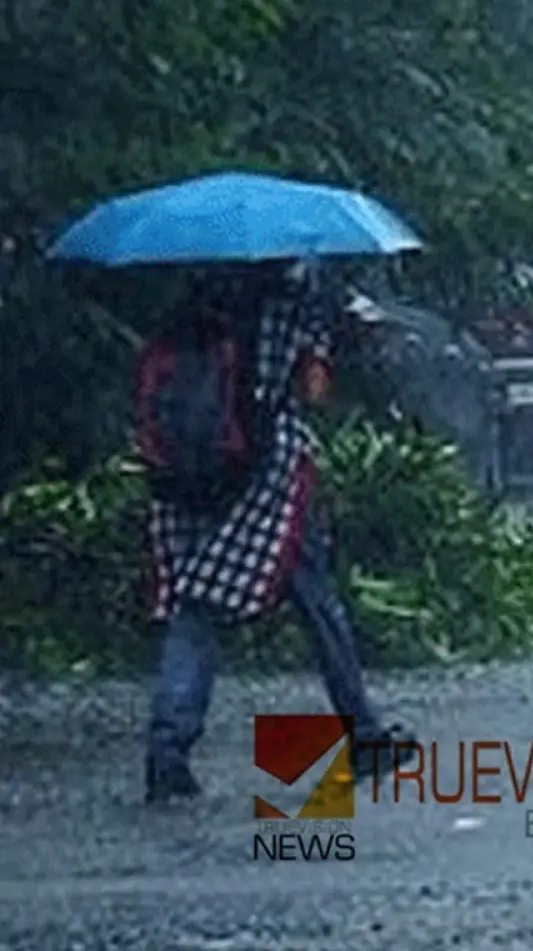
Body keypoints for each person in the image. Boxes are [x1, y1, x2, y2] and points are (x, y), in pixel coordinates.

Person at [144, 262, 413, 804]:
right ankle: (364, 731)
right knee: (317, 599)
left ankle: (167, 752)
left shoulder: (192, 300)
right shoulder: (293, 299)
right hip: (269, 475)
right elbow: (311, 390)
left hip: (191, 478)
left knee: (195, 606)